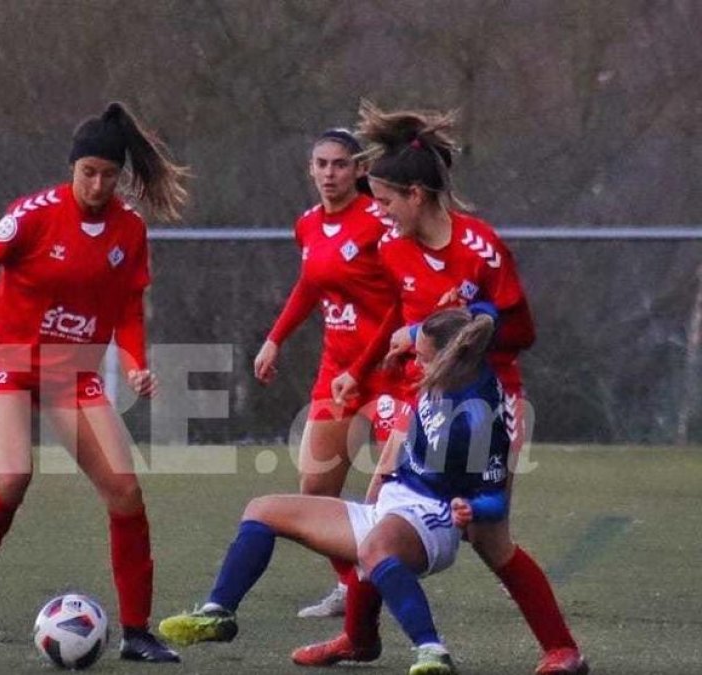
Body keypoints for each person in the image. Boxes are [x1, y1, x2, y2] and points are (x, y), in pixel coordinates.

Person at [304, 102, 587, 675]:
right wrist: (361, 369)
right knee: (376, 508)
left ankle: (562, 650)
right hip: (422, 400)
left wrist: (471, 314)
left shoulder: (479, 248)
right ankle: (358, 639)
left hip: (487, 404)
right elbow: (402, 317)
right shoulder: (393, 246)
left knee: (489, 535)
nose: (378, 213)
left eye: (384, 201)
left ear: (416, 195)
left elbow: (521, 332)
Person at [0, 101, 186, 663]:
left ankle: (135, 632)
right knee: (13, 474)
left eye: (109, 174)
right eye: (89, 173)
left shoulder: (130, 230)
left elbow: (128, 305)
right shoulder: (34, 214)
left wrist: (134, 362)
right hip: (4, 355)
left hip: (71, 370)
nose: (99, 184)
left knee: (126, 492)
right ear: (72, 169)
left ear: (121, 176)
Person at [160, 307, 515, 675]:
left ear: (449, 358)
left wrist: (470, 509)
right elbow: (471, 321)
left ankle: (432, 651)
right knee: (262, 509)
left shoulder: (478, 414)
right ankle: (219, 612)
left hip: (432, 522)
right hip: (390, 511)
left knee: (374, 549)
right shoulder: (435, 386)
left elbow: (495, 498)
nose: (416, 366)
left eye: (422, 359)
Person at [252, 128, 402, 619]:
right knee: (315, 492)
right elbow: (309, 285)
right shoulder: (308, 224)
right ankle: (353, 587)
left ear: (359, 169)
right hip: (335, 373)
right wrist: (275, 338)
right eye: (321, 164)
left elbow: (402, 300)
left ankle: (489, 551)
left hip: (390, 373)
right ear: (310, 169)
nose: (330, 174)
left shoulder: (380, 221)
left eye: (340, 164)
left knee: (393, 493)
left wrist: (363, 367)